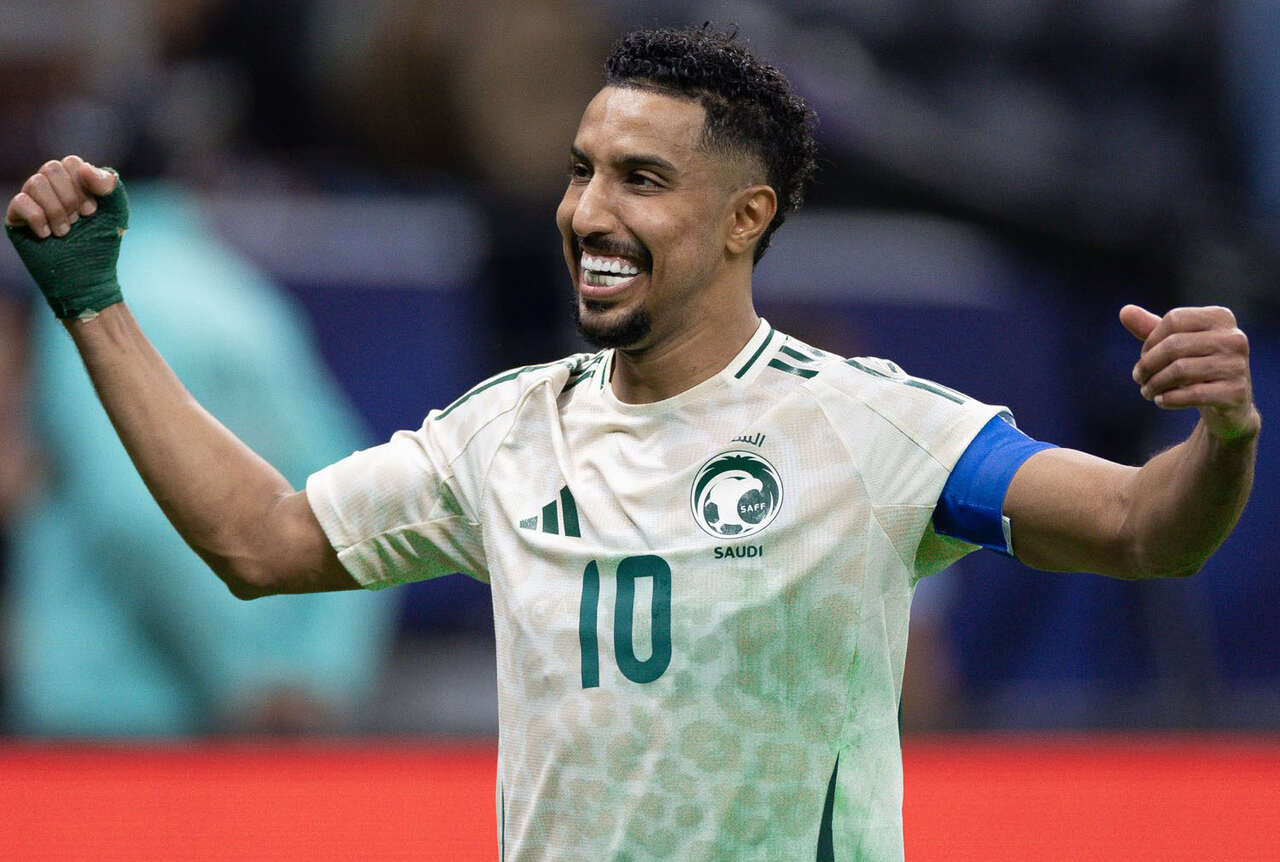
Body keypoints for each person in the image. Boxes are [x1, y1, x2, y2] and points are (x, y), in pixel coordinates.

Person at [4, 25, 1258, 861]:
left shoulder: (869, 426)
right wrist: (92, 302)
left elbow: (1142, 528)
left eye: (640, 180)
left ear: (743, 217)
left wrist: (1219, 435)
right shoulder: (505, 431)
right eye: (581, 170)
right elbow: (261, 540)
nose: (587, 211)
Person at [3, 182, 395, 736]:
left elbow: (131, 516)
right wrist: (321, 677)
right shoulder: (244, 298)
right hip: (258, 711)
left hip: (113, 710)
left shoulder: (83, 284)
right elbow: (360, 497)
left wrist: (241, 680)